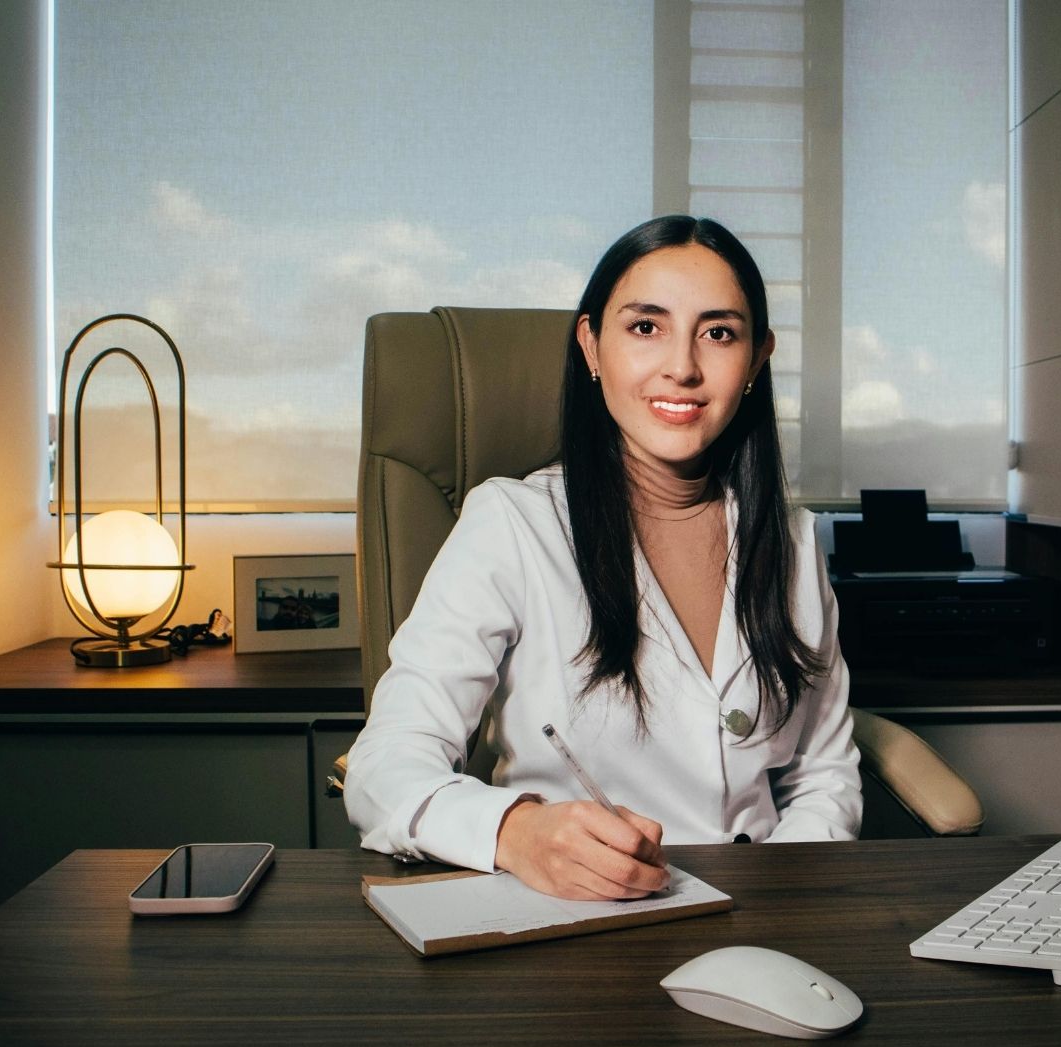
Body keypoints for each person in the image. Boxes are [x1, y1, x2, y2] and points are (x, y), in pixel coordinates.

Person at [344, 216, 862, 900]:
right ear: (591, 345)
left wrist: (776, 900)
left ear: (757, 360)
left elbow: (824, 775)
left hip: (765, 916)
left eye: (718, 333)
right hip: (578, 920)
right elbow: (383, 768)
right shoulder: (512, 523)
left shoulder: (791, 540)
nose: (682, 366)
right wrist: (515, 832)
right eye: (646, 327)